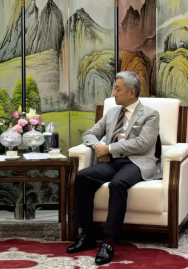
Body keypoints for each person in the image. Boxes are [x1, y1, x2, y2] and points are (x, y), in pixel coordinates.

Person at [67, 71, 160, 265]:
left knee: (117, 184)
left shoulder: (150, 114)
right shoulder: (111, 113)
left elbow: (142, 144)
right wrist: (98, 147)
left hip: (136, 162)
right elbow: (90, 133)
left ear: (131, 93)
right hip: (112, 162)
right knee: (82, 176)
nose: (114, 93)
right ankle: (87, 234)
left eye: (118, 89)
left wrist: (109, 148)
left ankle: (108, 242)